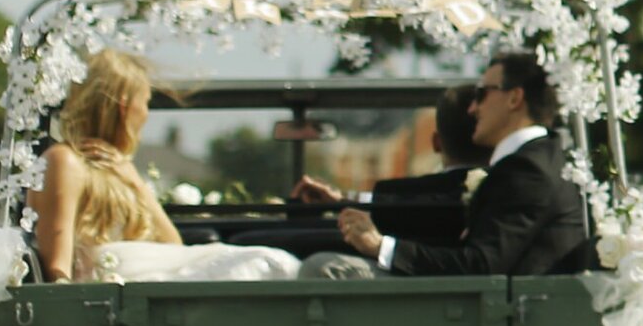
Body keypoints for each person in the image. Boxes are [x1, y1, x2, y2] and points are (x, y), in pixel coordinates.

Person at [31, 50, 296, 283]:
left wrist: (134, 182)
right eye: (145, 102)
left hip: (142, 282)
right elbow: (57, 264)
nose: (146, 114)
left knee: (264, 263)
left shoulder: (120, 171)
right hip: (110, 289)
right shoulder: (65, 161)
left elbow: (173, 245)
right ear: (124, 106)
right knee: (257, 264)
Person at [328, 51, 596, 277]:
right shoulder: (541, 159)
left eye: (482, 94)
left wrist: (380, 247)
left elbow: (481, 264)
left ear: (514, 98)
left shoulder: (529, 170)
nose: (472, 109)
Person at [239, 83, 488, 260]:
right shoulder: (484, 188)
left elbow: (421, 206)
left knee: (253, 240)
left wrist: (347, 204)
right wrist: (343, 201)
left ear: (435, 142)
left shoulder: (483, 190)